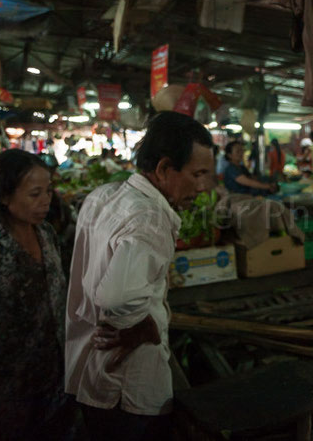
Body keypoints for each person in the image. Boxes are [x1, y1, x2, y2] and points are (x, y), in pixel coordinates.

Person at [65, 111, 214, 441]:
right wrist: (141, 325)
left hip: (90, 372)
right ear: (163, 169)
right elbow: (115, 298)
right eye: (197, 174)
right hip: (126, 386)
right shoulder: (149, 219)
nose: (203, 186)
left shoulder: (103, 196)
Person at [0, 149, 70, 440]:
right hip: (7, 392)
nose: (46, 201)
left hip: (54, 383)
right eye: (34, 194)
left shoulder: (46, 234)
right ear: (4, 197)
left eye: (48, 191)